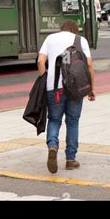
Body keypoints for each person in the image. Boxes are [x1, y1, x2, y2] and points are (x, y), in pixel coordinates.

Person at [37, 19, 95, 173]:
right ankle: (70, 159)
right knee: (73, 121)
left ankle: (53, 146)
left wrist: (44, 80)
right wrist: (91, 88)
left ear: (61, 29)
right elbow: (89, 64)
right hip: (75, 88)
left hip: (54, 87)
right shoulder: (80, 40)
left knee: (54, 120)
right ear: (74, 30)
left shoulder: (50, 38)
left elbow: (40, 61)